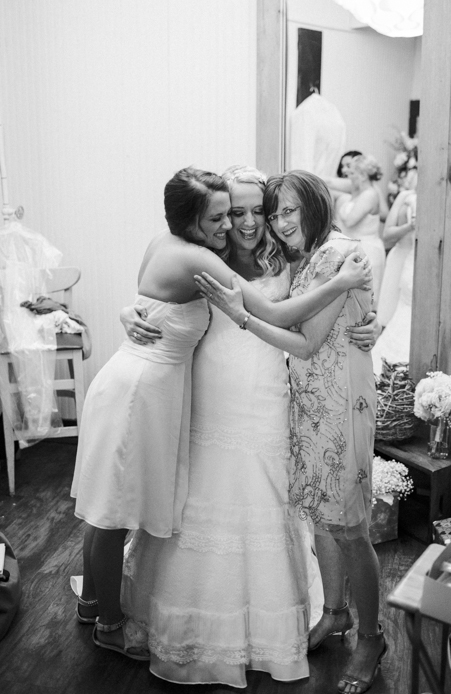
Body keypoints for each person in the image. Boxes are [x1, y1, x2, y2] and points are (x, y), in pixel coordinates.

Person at [71, 166, 372, 663]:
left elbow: (317, 314)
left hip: (264, 398)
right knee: (145, 503)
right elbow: (161, 294)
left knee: (256, 497)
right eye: (236, 213)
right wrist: (130, 312)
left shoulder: (289, 257)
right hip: (205, 394)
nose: (250, 222)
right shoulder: (205, 256)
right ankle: (124, 611)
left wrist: (369, 321)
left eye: (261, 211)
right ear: (217, 218)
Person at [197, 170, 385, 694]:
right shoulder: (305, 260)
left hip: (342, 403)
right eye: (273, 213)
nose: (277, 223)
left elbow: (303, 343)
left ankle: (371, 637)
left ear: (316, 206)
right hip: (308, 404)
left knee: (349, 526)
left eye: (286, 211)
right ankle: (335, 613)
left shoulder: (338, 255)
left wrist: (240, 317)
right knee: (320, 517)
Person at [327, 155, 387, 307]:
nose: (349, 178)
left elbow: (350, 220)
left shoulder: (370, 194)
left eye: (352, 174)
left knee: (367, 298)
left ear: (363, 175)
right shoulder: (358, 195)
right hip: (358, 248)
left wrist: (341, 201)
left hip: (369, 250)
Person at [373, 186, 417, 376]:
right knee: (389, 312)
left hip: (417, 260)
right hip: (399, 258)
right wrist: (411, 225)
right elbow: (388, 235)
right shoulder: (405, 196)